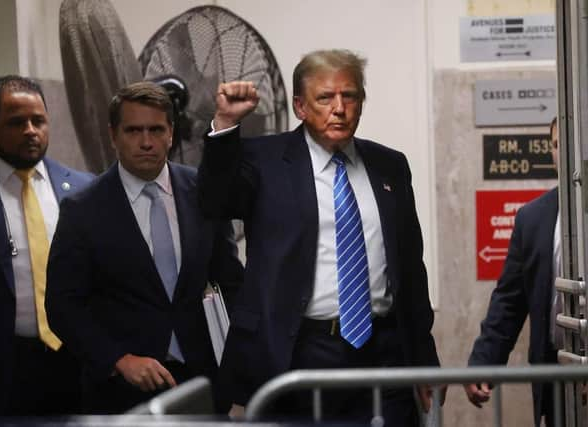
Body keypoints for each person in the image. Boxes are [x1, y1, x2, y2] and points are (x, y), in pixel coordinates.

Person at [198, 49, 443, 424]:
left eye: (350, 96)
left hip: (384, 349)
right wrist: (226, 124)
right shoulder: (264, 160)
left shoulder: (389, 165)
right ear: (300, 106)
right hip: (301, 349)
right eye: (325, 98)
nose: (340, 108)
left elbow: (409, 265)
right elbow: (214, 202)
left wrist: (425, 356)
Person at [45, 81, 244, 414]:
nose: (147, 142)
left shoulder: (203, 193)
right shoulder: (84, 208)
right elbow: (63, 306)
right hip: (120, 391)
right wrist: (118, 360)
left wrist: (242, 365)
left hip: (202, 384)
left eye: (156, 129)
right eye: (134, 130)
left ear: (171, 132)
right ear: (113, 135)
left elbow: (232, 282)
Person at [0, 75, 94, 416]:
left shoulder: (83, 189)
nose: (30, 131)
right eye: (16, 122)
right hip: (3, 365)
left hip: (74, 359)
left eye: (38, 121)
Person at [465, 117, 561, 426]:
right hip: (557, 379)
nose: (562, 152)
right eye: (557, 144)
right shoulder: (533, 219)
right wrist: (484, 363)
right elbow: (509, 300)